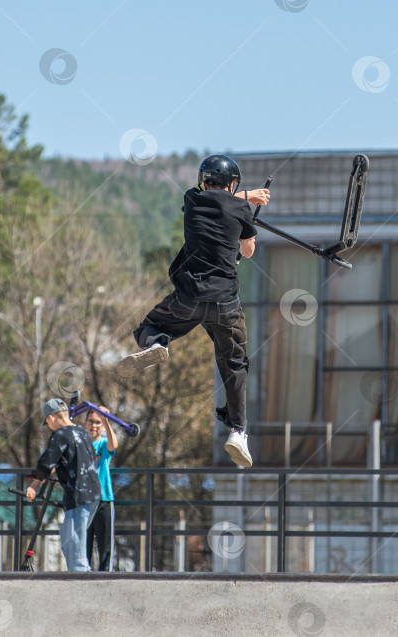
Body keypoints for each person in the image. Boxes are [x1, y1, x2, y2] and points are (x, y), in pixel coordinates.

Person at [117, 154, 270, 468]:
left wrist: (245, 199)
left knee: (150, 325)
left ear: (203, 181)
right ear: (232, 184)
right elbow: (248, 251)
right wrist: (248, 218)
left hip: (189, 297)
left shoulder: (192, 200)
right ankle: (238, 432)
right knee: (234, 364)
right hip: (226, 304)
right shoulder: (241, 208)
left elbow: (217, 200)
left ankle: (157, 343)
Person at [26, 397, 101, 572]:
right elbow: (80, 460)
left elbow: (47, 462)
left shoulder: (60, 435)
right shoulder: (82, 432)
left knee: (75, 549)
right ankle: (77, 576)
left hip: (78, 495)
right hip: (93, 494)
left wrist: (33, 487)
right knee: (67, 537)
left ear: (51, 418)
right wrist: (62, 472)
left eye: (47, 423)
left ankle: (81, 587)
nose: (49, 426)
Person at [84, 406, 118, 571]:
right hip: (84, 501)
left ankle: (105, 581)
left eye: (98, 423)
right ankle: (84, 582)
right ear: (85, 423)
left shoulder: (103, 443)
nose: (94, 426)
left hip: (104, 500)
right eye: (91, 421)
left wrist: (106, 420)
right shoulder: (80, 442)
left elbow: (113, 445)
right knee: (84, 548)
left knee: (105, 548)